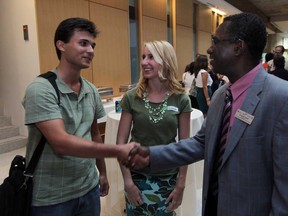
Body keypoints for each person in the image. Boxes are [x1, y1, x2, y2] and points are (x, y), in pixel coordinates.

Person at [128, 12, 288, 216]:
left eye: (215, 41)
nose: (209, 49)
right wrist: (152, 156)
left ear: (238, 47)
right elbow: (201, 143)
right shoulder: (222, 95)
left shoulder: (281, 98)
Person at [22, 17, 136, 216]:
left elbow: (94, 135)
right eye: (83, 43)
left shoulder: (90, 90)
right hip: (51, 198)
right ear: (61, 45)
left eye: (92, 45)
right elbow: (61, 143)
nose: (91, 50)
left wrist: (102, 172)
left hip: (88, 189)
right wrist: (118, 150)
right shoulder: (41, 89)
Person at [117, 40, 192, 215]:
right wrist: (128, 182)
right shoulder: (131, 97)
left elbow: (185, 146)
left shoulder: (181, 99)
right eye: (143, 57)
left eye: (151, 57)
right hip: (136, 178)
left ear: (166, 61)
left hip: (168, 178)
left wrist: (180, 185)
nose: (144, 62)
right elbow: (121, 143)